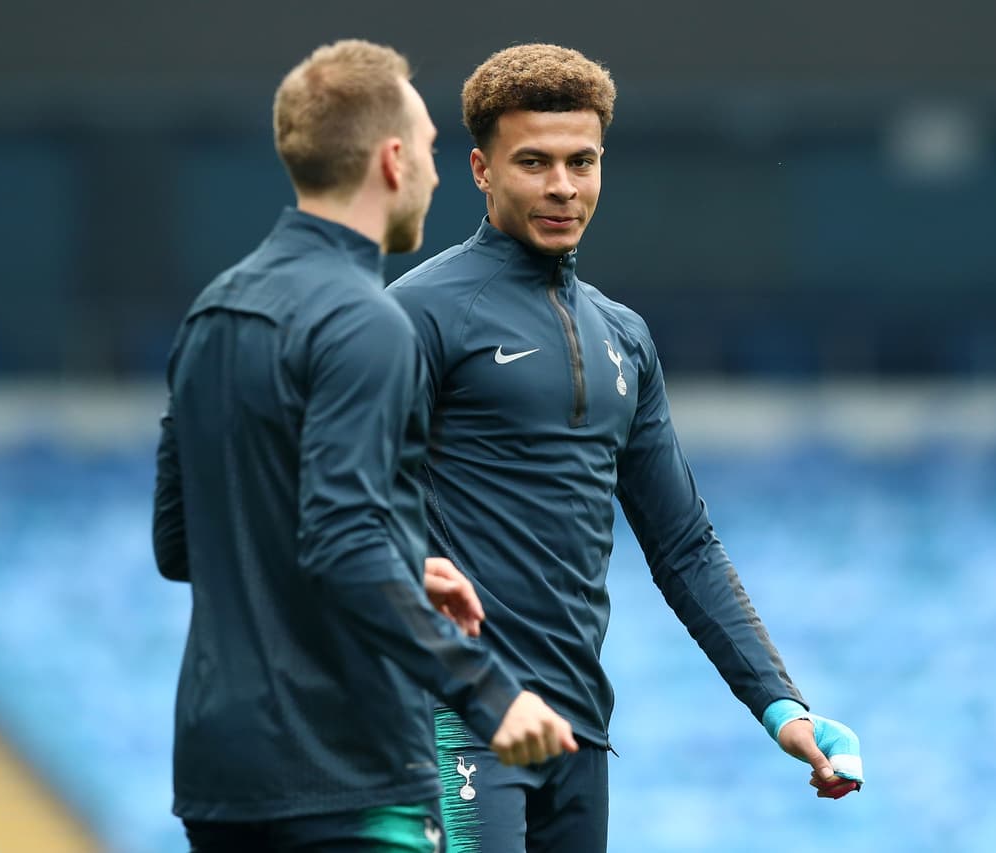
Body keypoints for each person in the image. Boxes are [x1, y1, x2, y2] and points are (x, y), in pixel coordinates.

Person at [388, 43, 864, 853]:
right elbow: (334, 507)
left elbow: (683, 544)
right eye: (534, 162)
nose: (563, 187)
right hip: (454, 719)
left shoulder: (624, 338)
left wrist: (780, 704)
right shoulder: (417, 315)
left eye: (582, 161)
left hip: (577, 735)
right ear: (479, 168)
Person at [151, 40, 577, 853]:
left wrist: (402, 566)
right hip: (347, 774)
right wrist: (489, 693)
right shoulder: (367, 323)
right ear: (390, 160)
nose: (437, 172)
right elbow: (344, 543)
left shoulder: (213, 311)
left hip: (218, 777)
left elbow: (183, 542)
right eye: (427, 150)